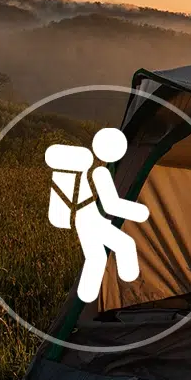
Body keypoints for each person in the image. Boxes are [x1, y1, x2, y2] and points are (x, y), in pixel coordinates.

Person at [46, 128, 150, 302]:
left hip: (91, 220)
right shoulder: (100, 173)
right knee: (107, 252)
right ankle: (90, 301)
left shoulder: (101, 171)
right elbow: (110, 203)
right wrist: (138, 212)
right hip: (91, 221)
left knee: (114, 249)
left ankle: (121, 293)